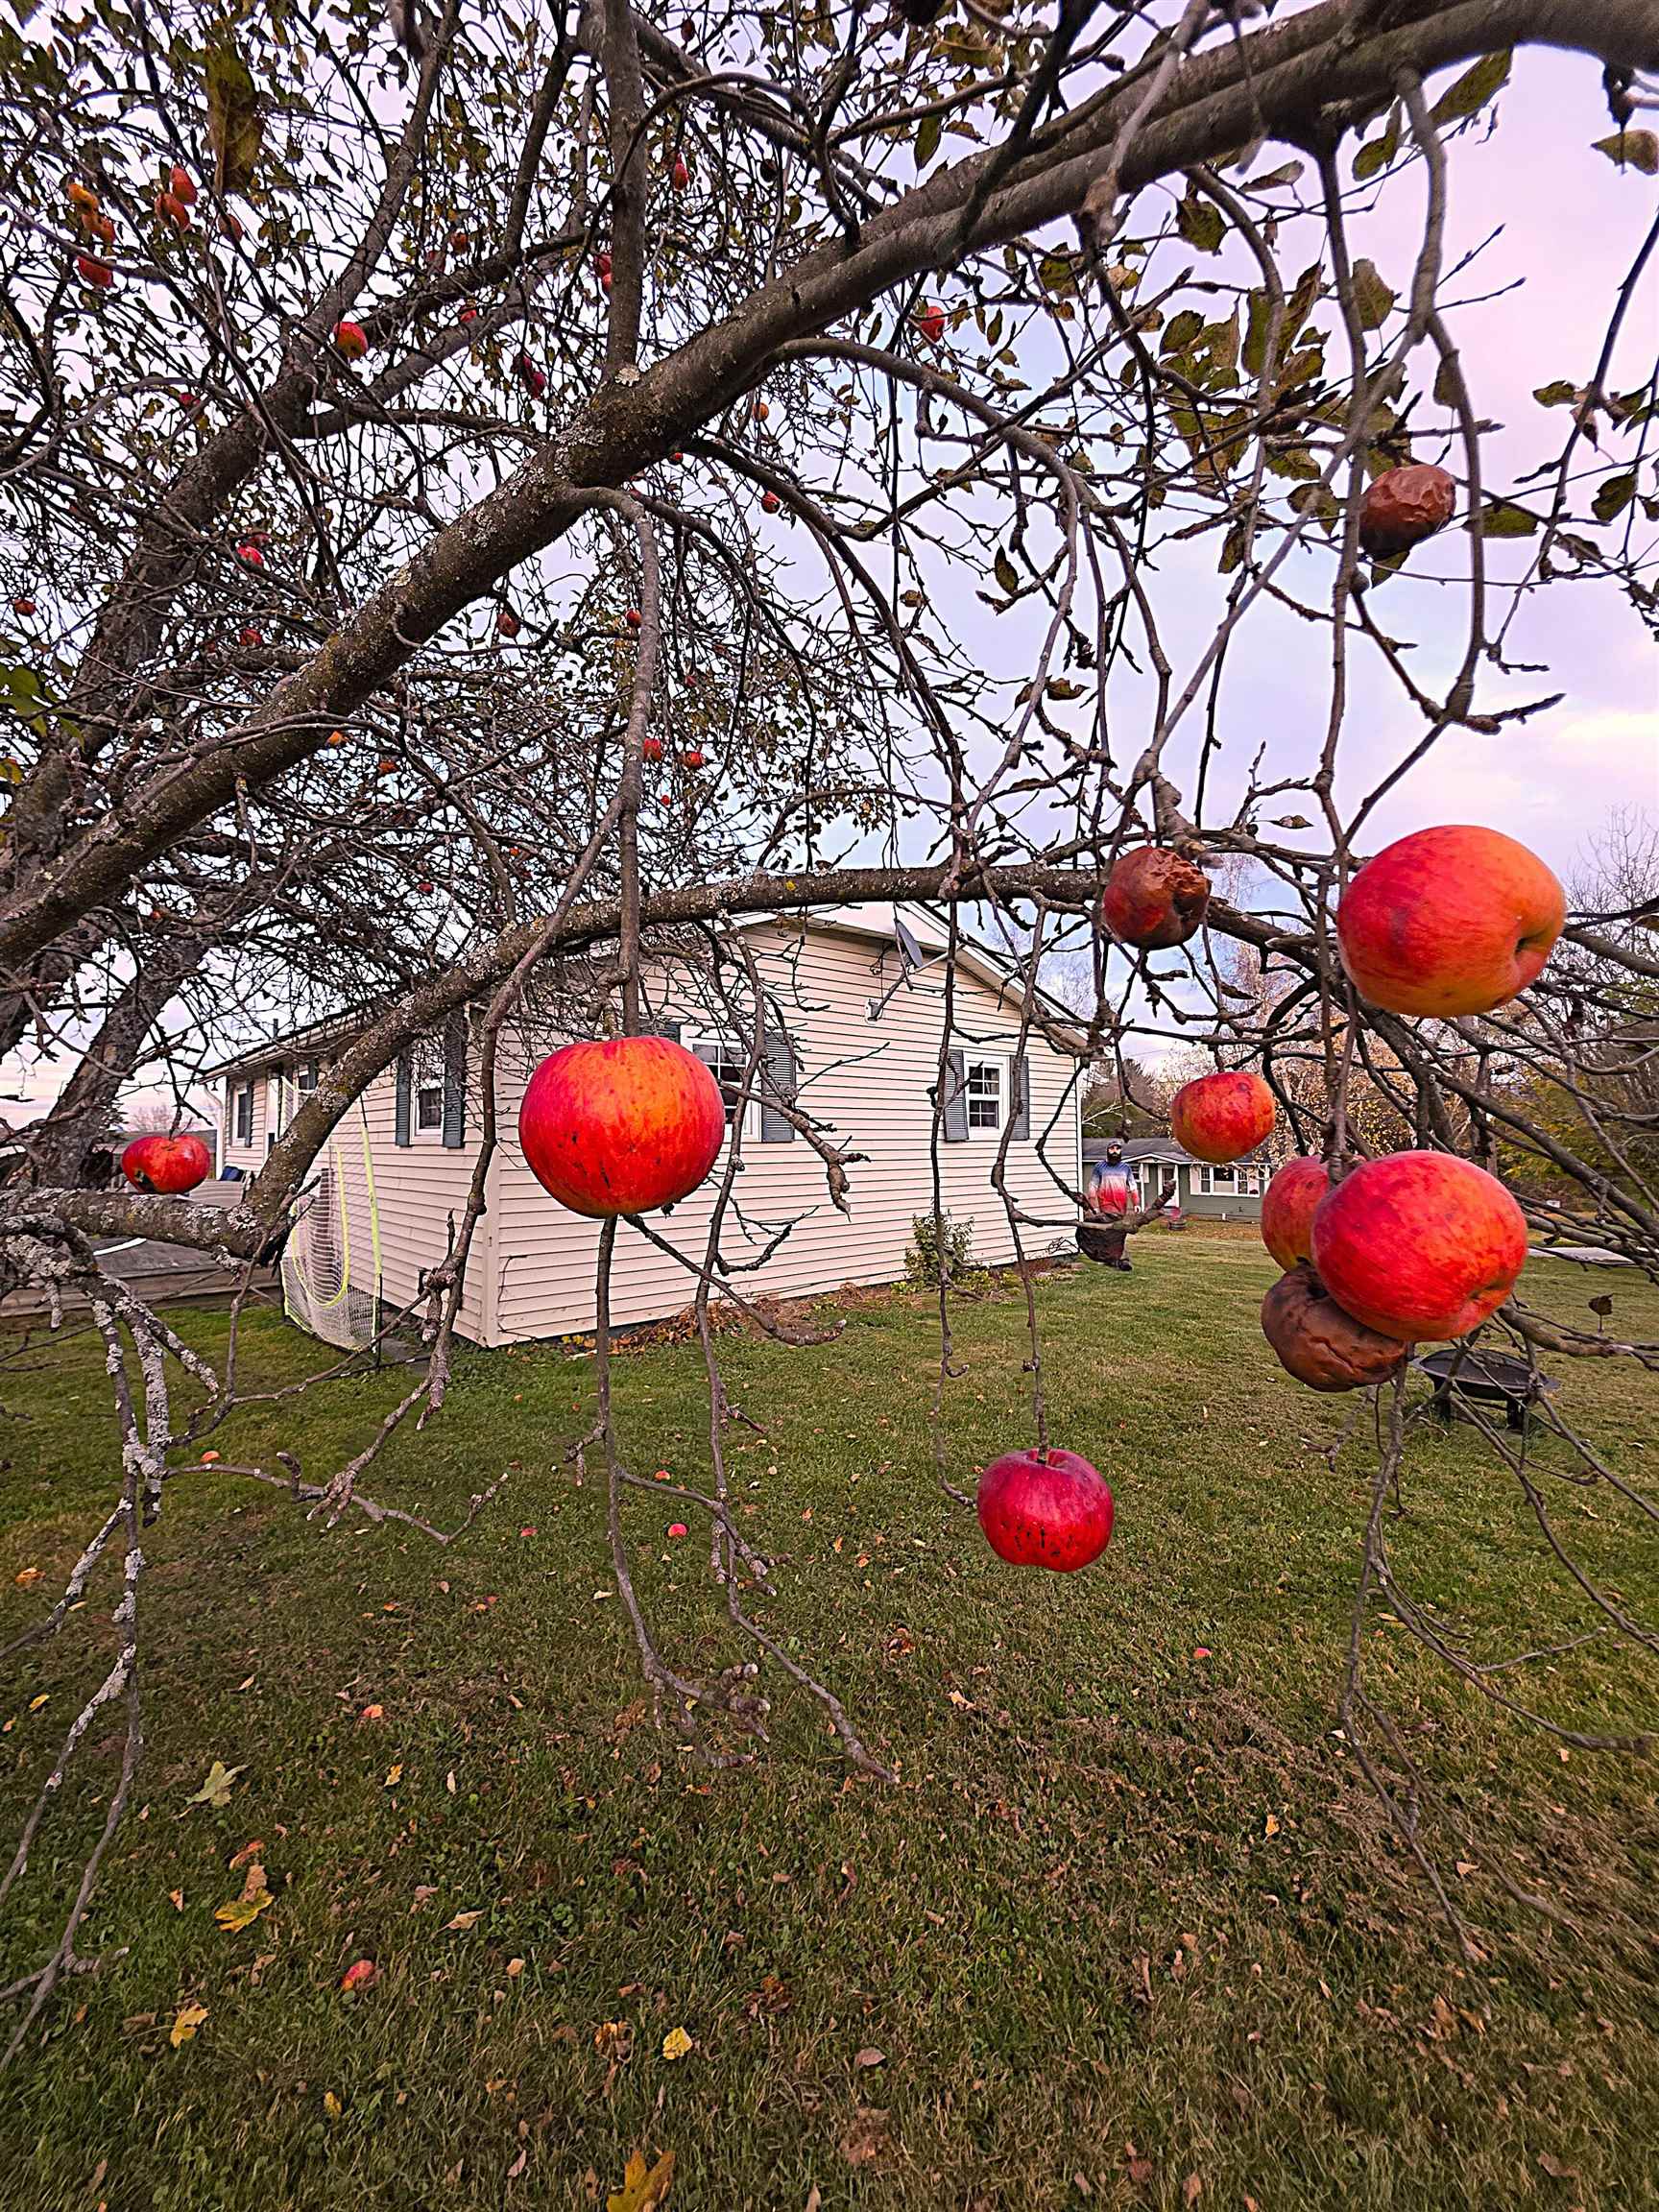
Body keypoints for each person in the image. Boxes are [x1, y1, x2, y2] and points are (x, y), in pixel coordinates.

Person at [1084, 1137, 1137, 1270]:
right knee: (1111, 1231)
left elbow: (1132, 1186)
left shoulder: (1126, 1168)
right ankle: (1120, 1259)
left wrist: (1136, 1202)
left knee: (1119, 1233)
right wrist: (1094, 1205)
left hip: (1121, 1206)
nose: (1115, 1151)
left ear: (1120, 1151)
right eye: (1112, 1148)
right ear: (1107, 1150)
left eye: (1117, 1149)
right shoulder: (1099, 1167)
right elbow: (1092, 1187)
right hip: (1106, 1205)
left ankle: (1113, 1258)